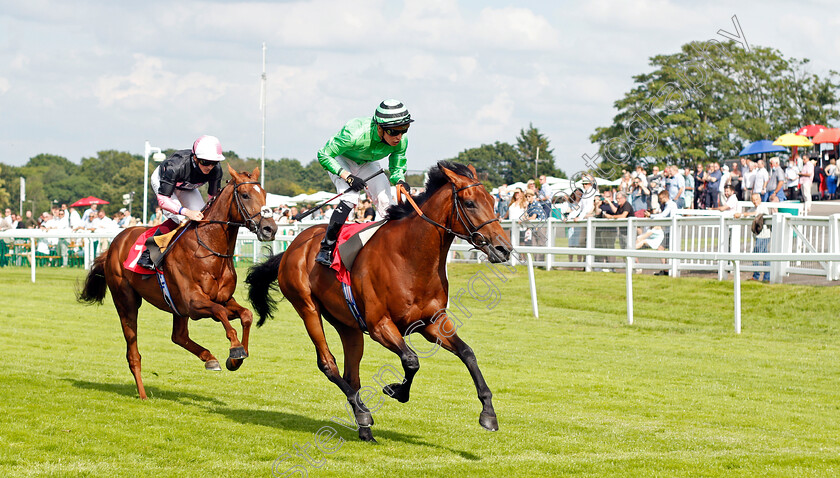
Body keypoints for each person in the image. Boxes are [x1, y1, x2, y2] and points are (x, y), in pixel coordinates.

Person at [314, 99, 413, 266]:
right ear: (380, 128)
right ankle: (327, 248)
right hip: (341, 159)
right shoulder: (354, 134)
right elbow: (324, 154)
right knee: (351, 197)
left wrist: (400, 180)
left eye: (404, 130)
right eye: (394, 131)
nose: (399, 137)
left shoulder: (401, 141)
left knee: (385, 200)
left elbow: (397, 167)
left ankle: (393, 246)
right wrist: (347, 176)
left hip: (367, 163)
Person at [151, 135, 225, 224]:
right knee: (177, 219)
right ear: (195, 158)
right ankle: (152, 238)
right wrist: (187, 212)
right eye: (205, 162)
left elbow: (213, 199)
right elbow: (163, 200)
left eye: (214, 163)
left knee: (203, 217)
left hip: (186, 188)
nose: (210, 167)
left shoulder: (216, 170)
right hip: (162, 181)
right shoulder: (176, 167)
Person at [735, 193, 772, 282]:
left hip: (764, 235)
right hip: (760, 235)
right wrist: (742, 214)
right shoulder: (755, 207)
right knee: (764, 255)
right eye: (753, 200)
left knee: (756, 254)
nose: (755, 201)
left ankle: (758, 276)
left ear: (760, 199)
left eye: (756, 199)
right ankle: (766, 277)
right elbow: (750, 212)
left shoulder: (762, 207)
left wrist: (741, 214)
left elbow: (755, 213)